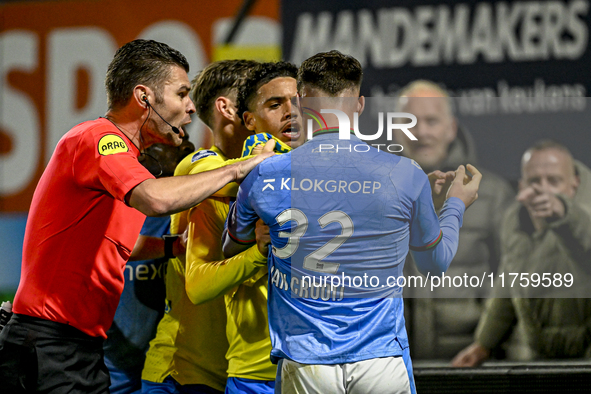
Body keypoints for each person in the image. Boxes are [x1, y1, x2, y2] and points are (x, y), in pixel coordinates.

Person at [0, 39, 272, 394]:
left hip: (75, 345)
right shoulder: (97, 139)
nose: (190, 108)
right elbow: (154, 200)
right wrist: (243, 168)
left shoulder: (127, 162)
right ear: (145, 98)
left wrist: (174, 246)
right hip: (49, 343)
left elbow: (118, 245)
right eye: (181, 94)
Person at [222, 50, 481, 394]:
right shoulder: (404, 174)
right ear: (359, 106)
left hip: (305, 362)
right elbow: (434, 262)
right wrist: (455, 205)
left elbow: (230, 246)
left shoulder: (263, 174)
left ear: (300, 103)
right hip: (380, 360)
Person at [181, 61, 303, 394]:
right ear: (243, 115)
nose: (291, 112)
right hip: (248, 371)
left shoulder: (337, 167)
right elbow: (199, 284)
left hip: (325, 364)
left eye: (299, 100)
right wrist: (259, 250)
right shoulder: (213, 175)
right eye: (274, 103)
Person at [395, 81, 514, 359]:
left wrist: (488, 346)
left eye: (431, 121)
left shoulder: (493, 196)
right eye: (409, 122)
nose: (420, 132)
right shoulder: (376, 193)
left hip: (472, 368)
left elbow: (514, 286)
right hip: (394, 369)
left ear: (451, 129)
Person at [452, 140, 591, 367]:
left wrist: (563, 212)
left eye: (554, 181)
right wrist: (483, 344)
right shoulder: (515, 224)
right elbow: (508, 285)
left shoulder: (582, 219)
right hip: (543, 362)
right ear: (521, 186)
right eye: (534, 181)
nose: (542, 188)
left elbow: (584, 237)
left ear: (574, 183)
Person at [104, 135, 195, 394]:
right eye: (173, 140)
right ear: (141, 154)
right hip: (116, 368)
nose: (187, 146)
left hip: (173, 370)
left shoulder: (194, 211)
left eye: (186, 139)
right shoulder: (111, 211)